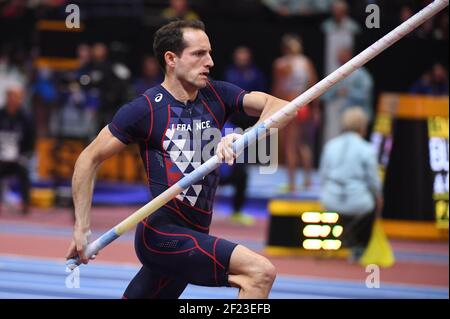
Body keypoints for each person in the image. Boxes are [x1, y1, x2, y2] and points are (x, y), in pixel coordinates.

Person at [66, 20, 292, 299]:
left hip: (195, 232)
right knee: (259, 273)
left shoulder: (218, 94)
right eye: (198, 54)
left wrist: (244, 136)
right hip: (162, 236)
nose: (209, 61)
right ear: (171, 59)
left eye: (209, 53)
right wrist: (81, 228)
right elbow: (87, 159)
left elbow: (282, 108)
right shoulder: (145, 109)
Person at [319, 107, 383, 261]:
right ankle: (358, 248)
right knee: (372, 203)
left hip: (330, 200)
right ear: (363, 127)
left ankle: (337, 241)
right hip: (358, 202)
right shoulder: (366, 149)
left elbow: (322, 175)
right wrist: (379, 198)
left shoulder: (330, 145)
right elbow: (374, 182)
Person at [221, 46, 267, 225]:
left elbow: (262, 96)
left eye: (244, 55)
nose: (241, 57)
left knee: (242, 168)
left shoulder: (255, 74)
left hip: (247, 123)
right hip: (229, 122)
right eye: (238, 54)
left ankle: (237, 210)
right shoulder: (229, 73)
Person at [272, 34, 319, 192]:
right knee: (302, 144)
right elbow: (315, 87)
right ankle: (307, 181)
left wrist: (273, 108)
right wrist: (316, 109)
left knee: (290, 146)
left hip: (289, 105)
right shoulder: (306, 63)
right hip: (304, 106)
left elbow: (278, 88)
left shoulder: (281, 64)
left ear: (284, 49)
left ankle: (292, 184)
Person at [321, 47, 373, 144]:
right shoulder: (338, 74)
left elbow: (365, 95)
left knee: (359, 143)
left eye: (342, 56)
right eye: (338, 56)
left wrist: (348, 92)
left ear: (349, 56)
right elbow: (327, 95)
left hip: (359, 117)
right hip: (345, 117)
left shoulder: (361, 74)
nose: (339, 58)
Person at [0, 83, 35, 215]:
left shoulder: (26, 119)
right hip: (1, 159)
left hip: (18, 159)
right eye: (12, 96)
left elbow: (31, 142)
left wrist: (23, 156)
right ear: (7, 97)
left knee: (25, 172)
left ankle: (25, 204)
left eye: (18, 97)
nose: (15, 99)